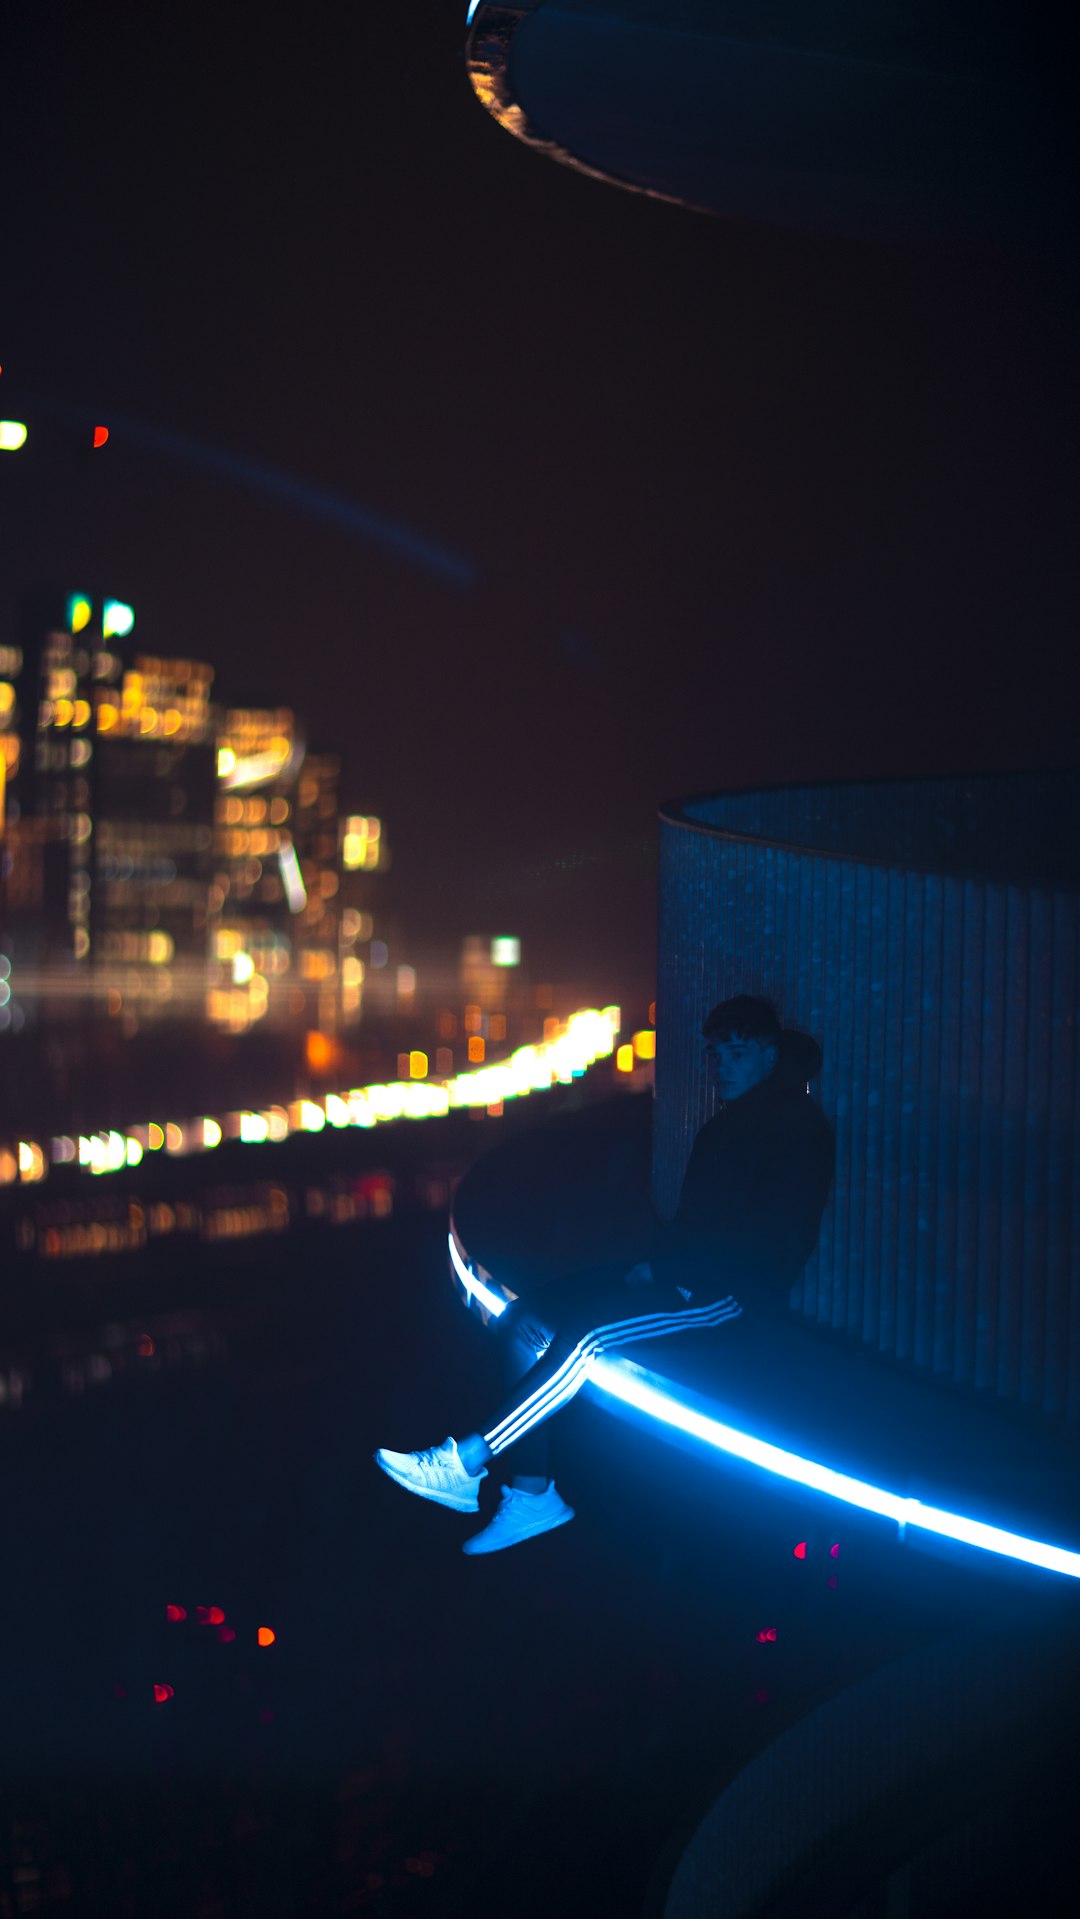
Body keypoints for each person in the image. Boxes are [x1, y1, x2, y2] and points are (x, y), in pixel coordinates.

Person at [375, 995, 835, 1555]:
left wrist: (668, 1268)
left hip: (733, 1294)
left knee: (588, 1336)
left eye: (736, 1053)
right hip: (681, 1274)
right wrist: (658, 1265)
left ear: (768, 1054)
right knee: (525, 1320)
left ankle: (464, 1462)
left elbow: (771, 1235)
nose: (721, 1067)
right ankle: (532, 1497)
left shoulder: (796, 1126)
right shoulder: (734, 1121)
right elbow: (702, 1219)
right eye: (715, 1055)